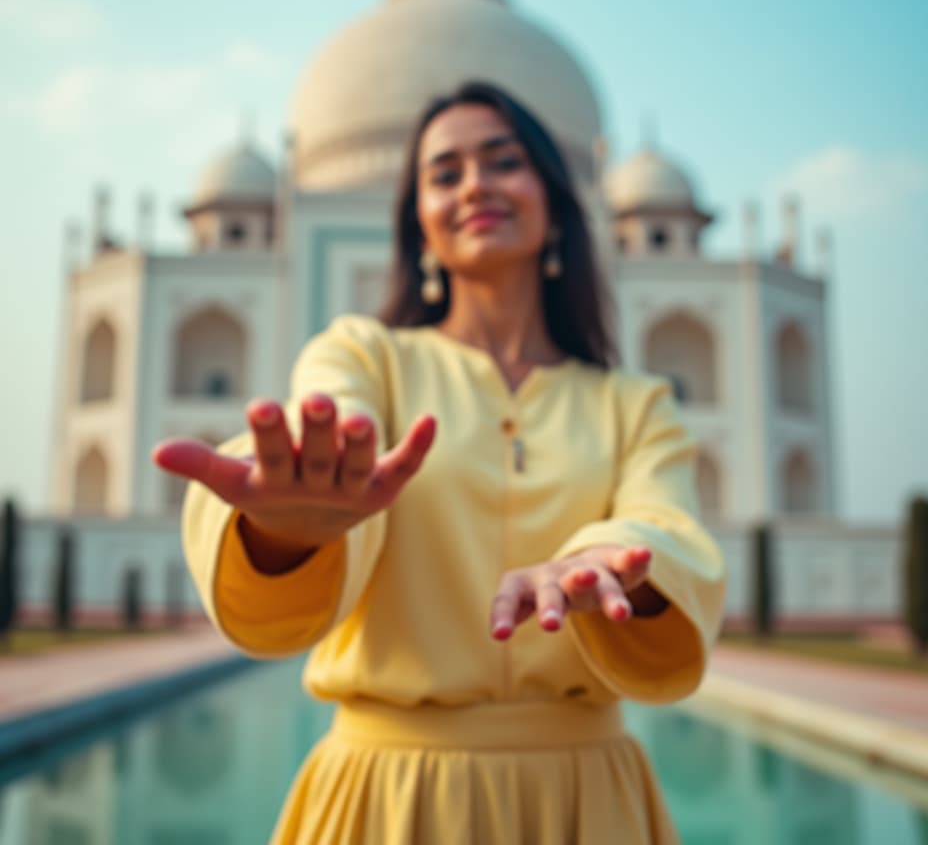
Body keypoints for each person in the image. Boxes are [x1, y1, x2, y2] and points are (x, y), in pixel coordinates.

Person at [153, 81, 727, 845]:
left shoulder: (635, 402)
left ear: (556, 202)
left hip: (582, 803)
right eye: (445, 173)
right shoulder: (364, 355)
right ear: (417, 223)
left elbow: (667, 524)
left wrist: (605, 560)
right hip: (389, 802)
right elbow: (334, 429)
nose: (475, 186)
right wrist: (292, 528)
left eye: (502, 162)